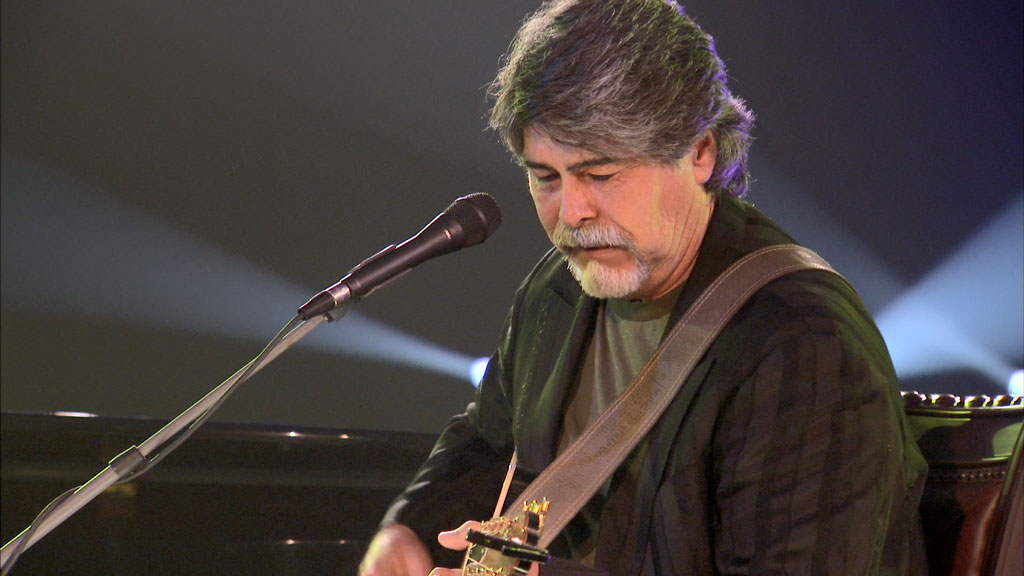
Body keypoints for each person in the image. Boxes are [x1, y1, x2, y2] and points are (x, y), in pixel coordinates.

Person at [359, 0, 928, 574]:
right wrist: (410, 531)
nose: (572, 212)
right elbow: (490, 443)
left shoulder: (805, 342)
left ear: (699, 152)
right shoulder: (557, 290)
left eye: (600, 174)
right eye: (546, 178)